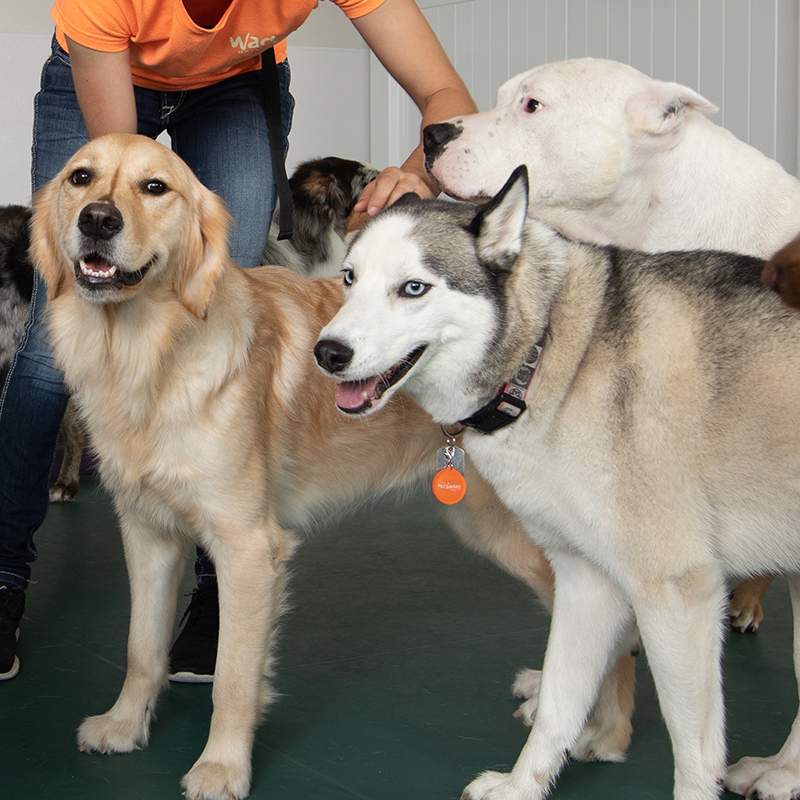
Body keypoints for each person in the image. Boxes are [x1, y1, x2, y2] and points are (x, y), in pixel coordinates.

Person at [0, 0, 478, 682]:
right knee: (69, 328)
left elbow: (444, 95)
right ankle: (3, 576)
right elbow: (122, 199)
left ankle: (225, 585)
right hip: (110, 75)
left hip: (233, 84)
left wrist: (419, 173)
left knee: (230, 307)